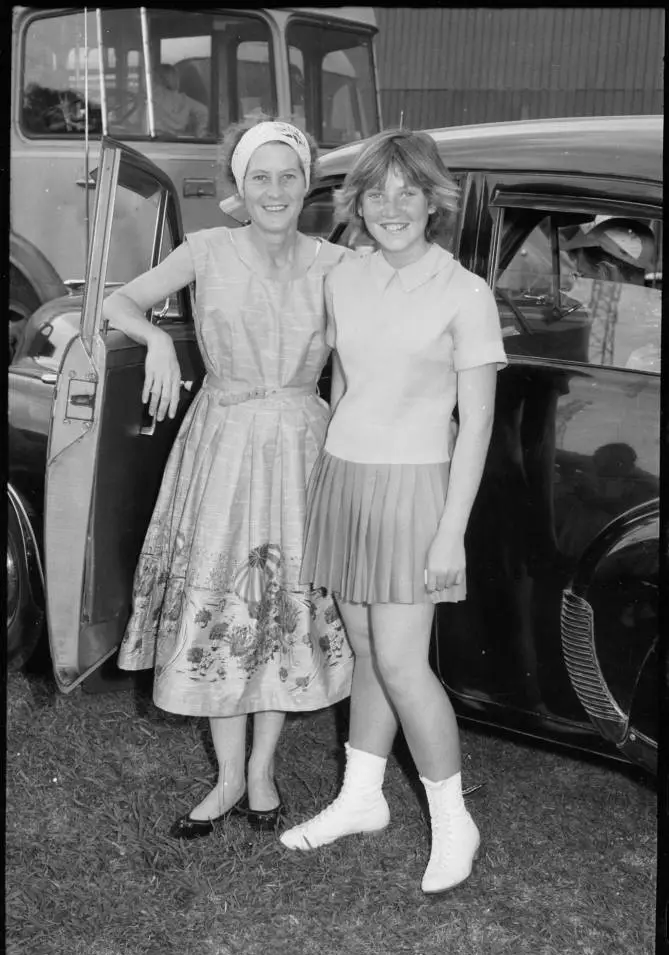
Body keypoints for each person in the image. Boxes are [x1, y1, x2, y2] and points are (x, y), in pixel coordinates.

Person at [102, 119, 354, 840]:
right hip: (222, 441)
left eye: (288, 175)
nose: (274, 190)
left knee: (280, 604)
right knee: (224, 597)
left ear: (306, 184)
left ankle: (263, 772)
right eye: (259, 176)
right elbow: (121, 301)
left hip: (303, 444)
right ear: (238, 187)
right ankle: (226, 776)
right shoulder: (206, 249)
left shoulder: (337, 264)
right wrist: (153, 339)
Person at [279, 129, 508, 894]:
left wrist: (451, 531)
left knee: (406, 665)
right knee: (367, 650)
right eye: (375, 193)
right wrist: (322, 481)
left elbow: (474, 424)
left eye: (407, 191)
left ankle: (453, 823)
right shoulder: (344, 278)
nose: (391, 207)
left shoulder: (463, 292)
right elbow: (344, 385)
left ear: (433, 199)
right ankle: (361, 798)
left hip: (416, 489)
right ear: (357, 205)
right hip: (346, 479)